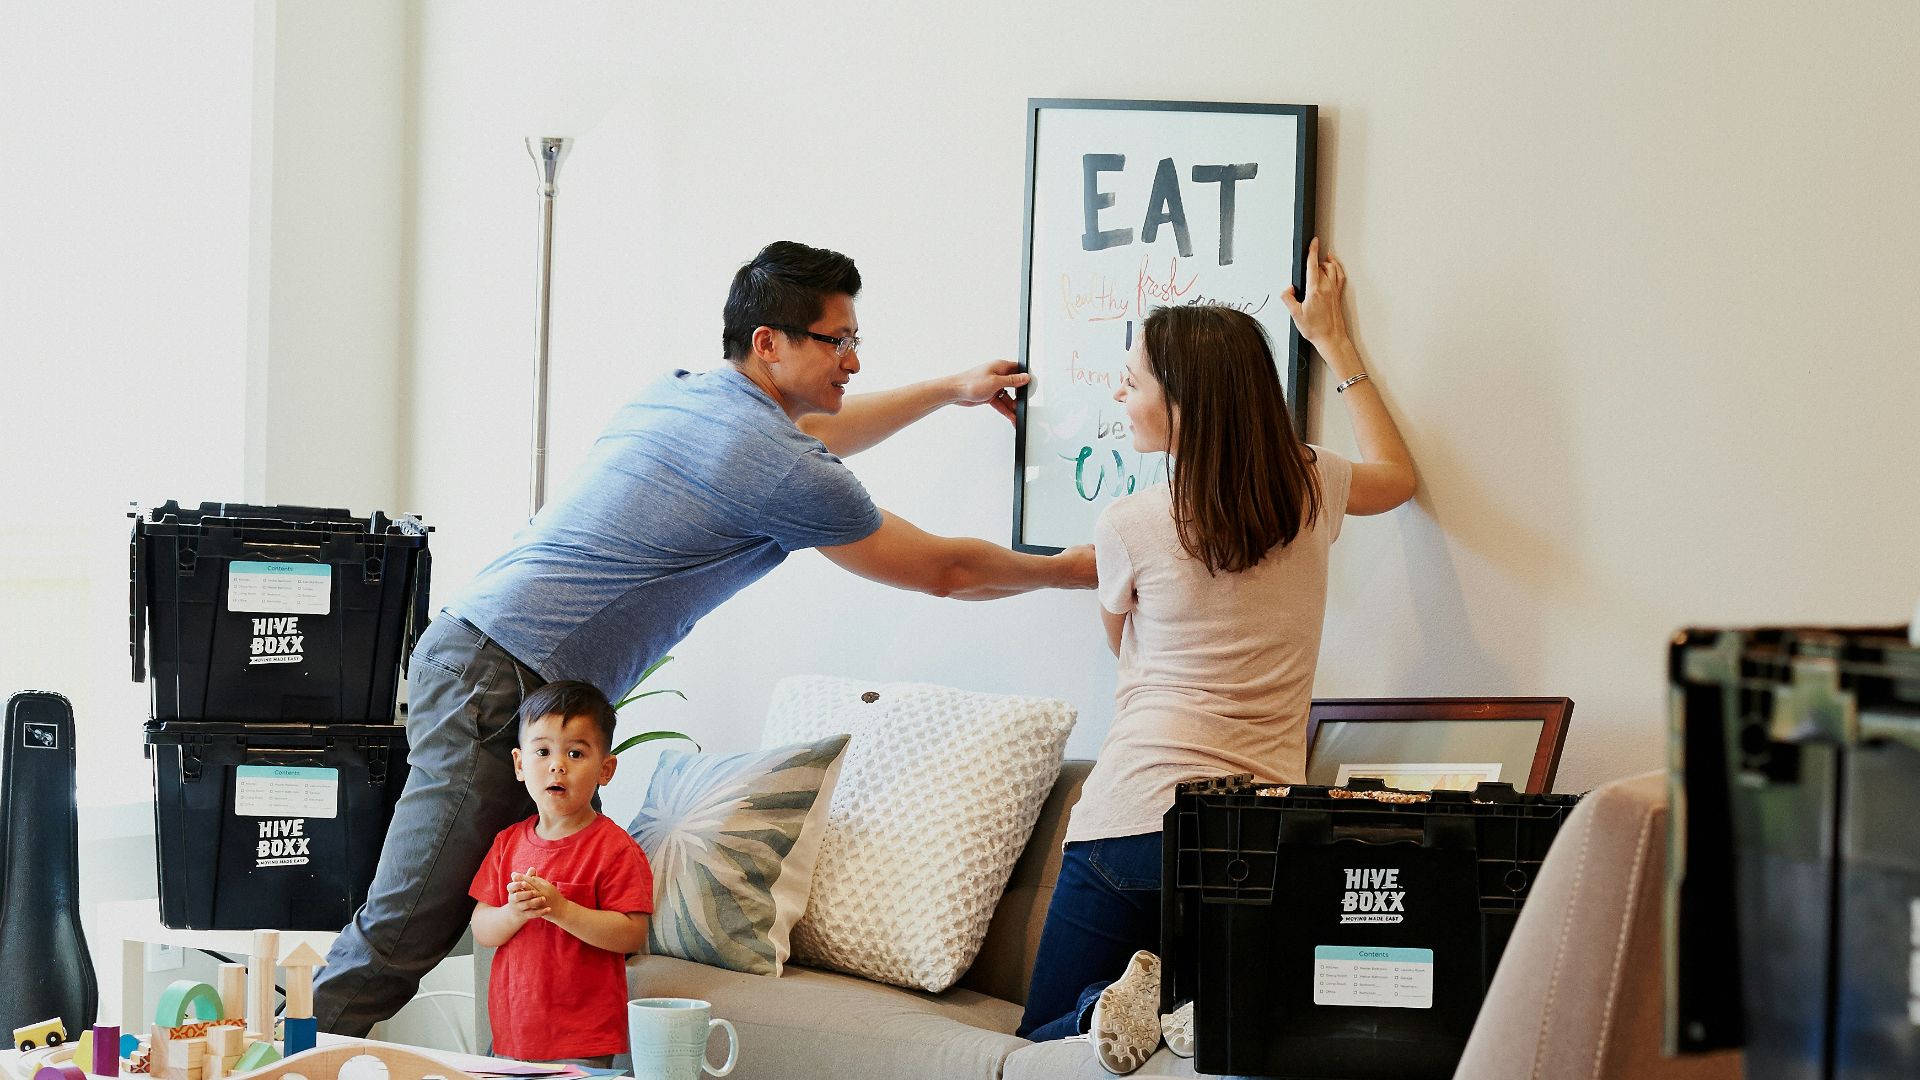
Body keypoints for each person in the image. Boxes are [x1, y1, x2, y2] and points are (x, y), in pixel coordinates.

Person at [314, 240, 1096, 1034]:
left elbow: (820, 432)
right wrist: (1074, 569)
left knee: (409, 919)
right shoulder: (778, 465)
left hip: (477, 652)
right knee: (407, 926)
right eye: (838, 341)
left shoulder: (685, 393)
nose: (852, 362)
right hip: (502, 678)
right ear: (770, 343)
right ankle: (282, 1059)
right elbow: (945, 570)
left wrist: (946, 390)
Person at [1016, 239, 1417, 1074]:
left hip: (1131, 820)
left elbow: (1119, 640)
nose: (1120, 390)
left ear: (1184, 401)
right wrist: (1336, 344)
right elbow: (1399, 476)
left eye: (1135, 378)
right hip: (1258, 833)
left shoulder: (1129, 523)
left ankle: (1128, 1008)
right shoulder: (1311, 486)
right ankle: (1189, 1007)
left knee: (1047, 1029)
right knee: (1234, 1028)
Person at [469, 680, 652, 1066]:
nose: (557, 765)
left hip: (584, 1036)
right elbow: (483, 928)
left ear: (605, 769)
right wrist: (514, 913)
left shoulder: (615, 849)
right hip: (515, 1030)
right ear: (521, 765)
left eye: (575, 752)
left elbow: (631, 933)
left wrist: (561, 909)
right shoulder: (507, 843)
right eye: (542, 751)